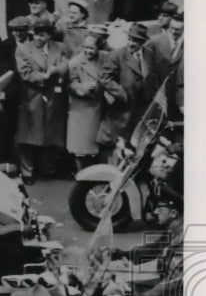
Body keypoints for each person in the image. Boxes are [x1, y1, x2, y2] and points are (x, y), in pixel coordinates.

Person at [15, 17, 69, 183]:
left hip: (53, 97)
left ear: (49, 35)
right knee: (28, 136)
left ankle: (47, 168)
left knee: (51, 134)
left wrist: (58, 69)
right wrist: (44, 76)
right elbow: (25, 73)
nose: (38, 38)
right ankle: (27, 171)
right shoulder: (23, 49)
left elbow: (66, 65)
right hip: (32, 96)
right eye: (36, 34)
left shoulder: (60, 47)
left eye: (42, 35)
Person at [97, 22, 154, 156]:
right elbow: (104, 77)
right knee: (118, 144)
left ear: (143, 42)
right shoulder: (117, 55)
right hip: (122, 108)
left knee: (136, 144)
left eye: (135, 41)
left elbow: (152, 76)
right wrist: (120, 93)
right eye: (130, 39)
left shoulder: (149, 54)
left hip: (141, 109)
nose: (131, 43)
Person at [66, 33, 107, 170]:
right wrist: (86, 88)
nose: (88, 51)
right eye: (85, 47)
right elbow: (71, 84)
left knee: (97, 144)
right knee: (80, 145)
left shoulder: (104, 58)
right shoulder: (75, 62)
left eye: (91, 48)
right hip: (82, 108)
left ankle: (95, 173)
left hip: (100, 106)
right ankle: (81, 174)